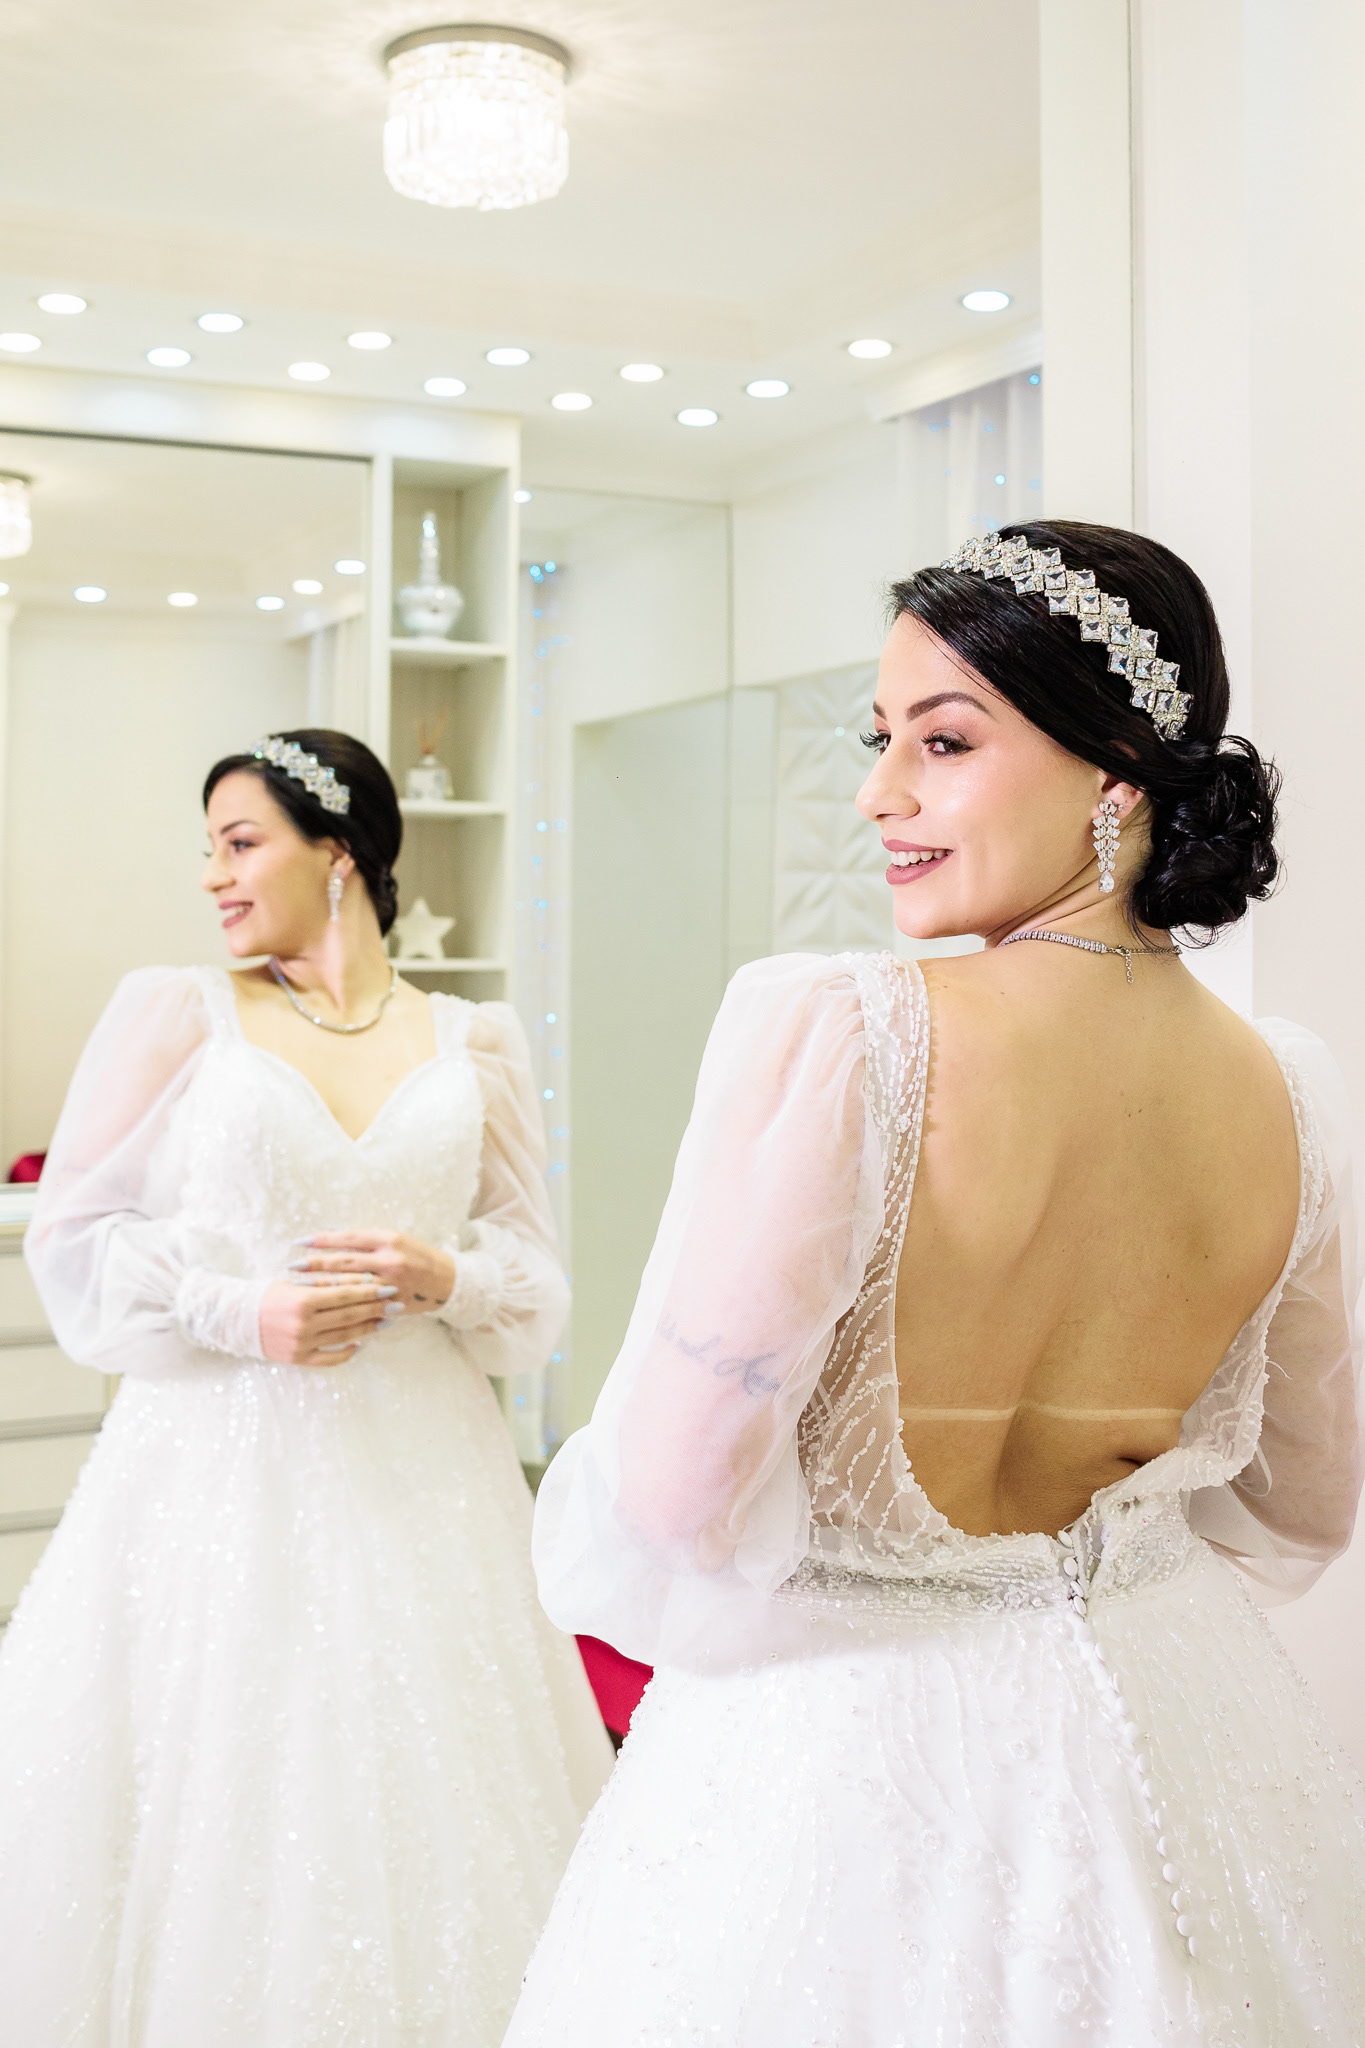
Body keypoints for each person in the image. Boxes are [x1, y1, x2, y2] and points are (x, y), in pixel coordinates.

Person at [505, 524, 1365, 2046]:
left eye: (944, 741)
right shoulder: (1283, 1089)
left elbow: (676, 1495)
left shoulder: (849, 1030)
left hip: (857, 1758)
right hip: (1181, 1740)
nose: (878, 794)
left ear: (1115, 774)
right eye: (880, 739)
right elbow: (1301, 1500)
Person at [0, 729, 613, 2047]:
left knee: (435, 1780)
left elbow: (536, 1281)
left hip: (428, 1472)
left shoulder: (474, 1039)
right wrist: (237, 1309)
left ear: (337, 854)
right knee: (217, 1774)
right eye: (208, 850)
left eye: (240, 843)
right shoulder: (181, 1012)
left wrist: (448, 1275)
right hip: (217, 1463)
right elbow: (74, 1231)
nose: (213, 877)